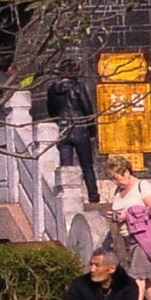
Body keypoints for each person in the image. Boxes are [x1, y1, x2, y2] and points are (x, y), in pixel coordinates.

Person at [102, 156, 151, 300]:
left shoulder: (142, 186)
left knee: (138, 276)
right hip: (129, 236)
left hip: (145, 236)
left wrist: (129, 213)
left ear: (126, 172)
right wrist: (115, 215)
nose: (115, 182)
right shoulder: (118, 191)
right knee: (143, 275)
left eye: (116, 178)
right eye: (112, 179)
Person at [49, 72, 100, 202]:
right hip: (80, 128)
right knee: (87, 165)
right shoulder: (78, 87)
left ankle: (68, 196)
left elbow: (51, 110)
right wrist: (92, 131)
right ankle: (93, 196)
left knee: (66, 165)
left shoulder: (52, 89)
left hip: (63, 128)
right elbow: (87, 109)